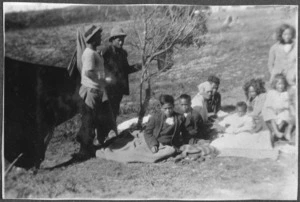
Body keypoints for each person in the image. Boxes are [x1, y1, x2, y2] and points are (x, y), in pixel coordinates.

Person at [74, 25, 115, 160]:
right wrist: (104, 79)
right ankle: (83, 152)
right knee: (88, 121)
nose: (100, 37)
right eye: (98, 36)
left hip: (96, 91)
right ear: (92, 39)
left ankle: (88, 148)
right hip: (91, 92)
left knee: (92, 120)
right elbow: (89, 73)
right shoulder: (89, 54)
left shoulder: (94, 53)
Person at [101, 26, 142, 120]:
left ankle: (112, 132)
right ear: (112, 40)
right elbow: (97, 68)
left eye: (123, 40)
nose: (121, 42)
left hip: (118, 89)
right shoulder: (106, 51)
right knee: (105, 113)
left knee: (114, 112)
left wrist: (140, 65)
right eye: (119, 40)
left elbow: (126, 69)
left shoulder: (123, 53)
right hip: (107, 89)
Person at [262, 73, 290, 147]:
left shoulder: (286, 94)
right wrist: (274, 110)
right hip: (271, 111)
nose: (281, 86)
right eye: (279, 84)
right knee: (270, 113)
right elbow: (268, 104)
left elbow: (286, 105)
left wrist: (281, 109)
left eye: (283, 84)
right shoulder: (271, 92)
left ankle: (274, 133)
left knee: (286, 113)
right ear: (275, 84)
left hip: (280, 112)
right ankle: (276, 131)